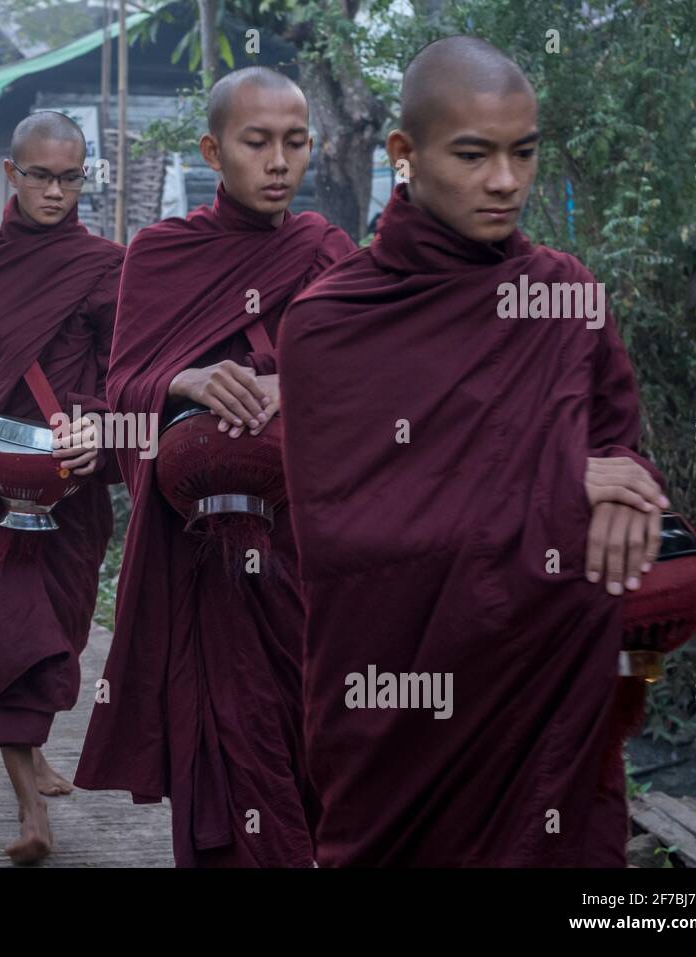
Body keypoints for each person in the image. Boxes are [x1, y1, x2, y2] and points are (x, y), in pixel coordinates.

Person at [277, 36, 666, 866]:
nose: (506, 182)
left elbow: (620, 459)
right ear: (404, 156)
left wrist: (626, 494)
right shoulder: (330, 322)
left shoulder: (567, 297)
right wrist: (564, 484)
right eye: (474, 154)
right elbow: (350, 533)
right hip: (399, 711)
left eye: (523, 153)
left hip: (546, 698)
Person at [74, 67, 356, 867]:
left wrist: (285, 383)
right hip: (203, 564)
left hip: (304, 552)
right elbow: (122, 390)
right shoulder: (162, 254)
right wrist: (183, 379)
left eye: (294, 143)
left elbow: (369, 384)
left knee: (312, 744)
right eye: (256, 141)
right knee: (228, 741)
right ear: (212, 149)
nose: (278, 162)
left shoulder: (327, 253)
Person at [0, 113, 123, 864]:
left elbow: (121, 370)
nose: (53, 189)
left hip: (70, 484)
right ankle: (30, 810)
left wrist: (98, 425)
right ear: (11, 174)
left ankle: (34, 749)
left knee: (60, 631)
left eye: (69, 177)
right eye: (39, 174)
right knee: (10, 635)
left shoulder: (106, 265)